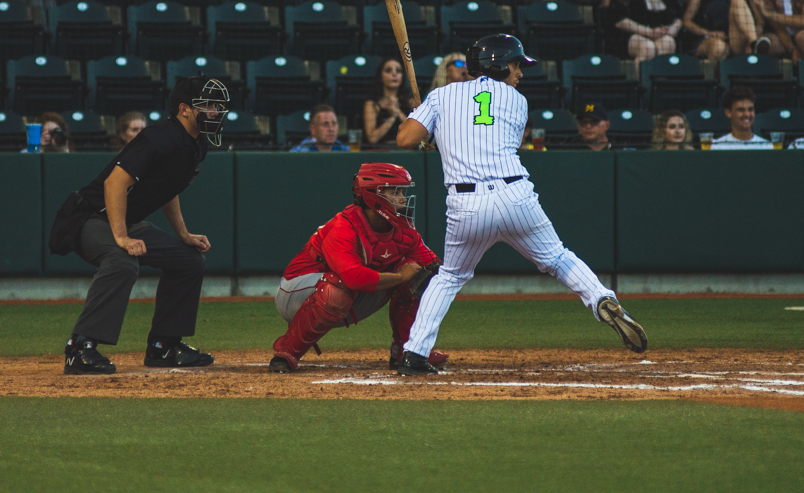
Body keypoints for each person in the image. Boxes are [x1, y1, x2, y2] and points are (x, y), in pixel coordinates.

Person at [394, 35, 647, 375]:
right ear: (497, 64)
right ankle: (601, 297)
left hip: (466, 203)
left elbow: (405, 139)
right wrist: (438, 134)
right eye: (515, 65)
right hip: (516, 196)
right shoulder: (517, 101)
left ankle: (414, 353)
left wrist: (428, 127)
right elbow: (490, 143)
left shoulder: (441, 95)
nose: (520, 73)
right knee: (558, 258)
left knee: (450, 276)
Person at [49, 76, 230, 375]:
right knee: (122, 261)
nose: (215, 112)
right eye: (208, 105)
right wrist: (120, 236)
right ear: (184, 109)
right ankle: (80, 348)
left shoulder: (196, 144)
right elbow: (115, 182)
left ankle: (164, 346)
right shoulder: (159, 137)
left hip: (122, 219)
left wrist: (182, 234)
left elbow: (167, 188)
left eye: (217, 106)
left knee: (189, 260)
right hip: (87, 216)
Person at [270, 163, 446, 373]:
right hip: (295, 292)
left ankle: (409, 351)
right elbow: (354, 278)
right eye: (395, 191)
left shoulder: (403, 228)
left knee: (419, 277)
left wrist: (433, 275)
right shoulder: (343, 227)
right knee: (336, 288)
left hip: (347, 291)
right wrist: (399, 277)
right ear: (373, 196)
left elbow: (432, 266)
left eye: (402, 192)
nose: (402, 198)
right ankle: (287, 352)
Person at [363, 58, 415, 145]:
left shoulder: (410, 102)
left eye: (398, 71)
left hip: (406, 152)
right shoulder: (372, 104)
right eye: (388, 71)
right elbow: (372, 139)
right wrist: (391, 118)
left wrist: (398, 112)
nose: (394, 74)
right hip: (380, 153)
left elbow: (416, 135)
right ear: (380, 76)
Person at [712, 85, 771, 150]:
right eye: (741, 110)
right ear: (728, 113)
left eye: (750, 109)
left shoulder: (766, 147)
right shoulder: (718, 147)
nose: (747, 114)